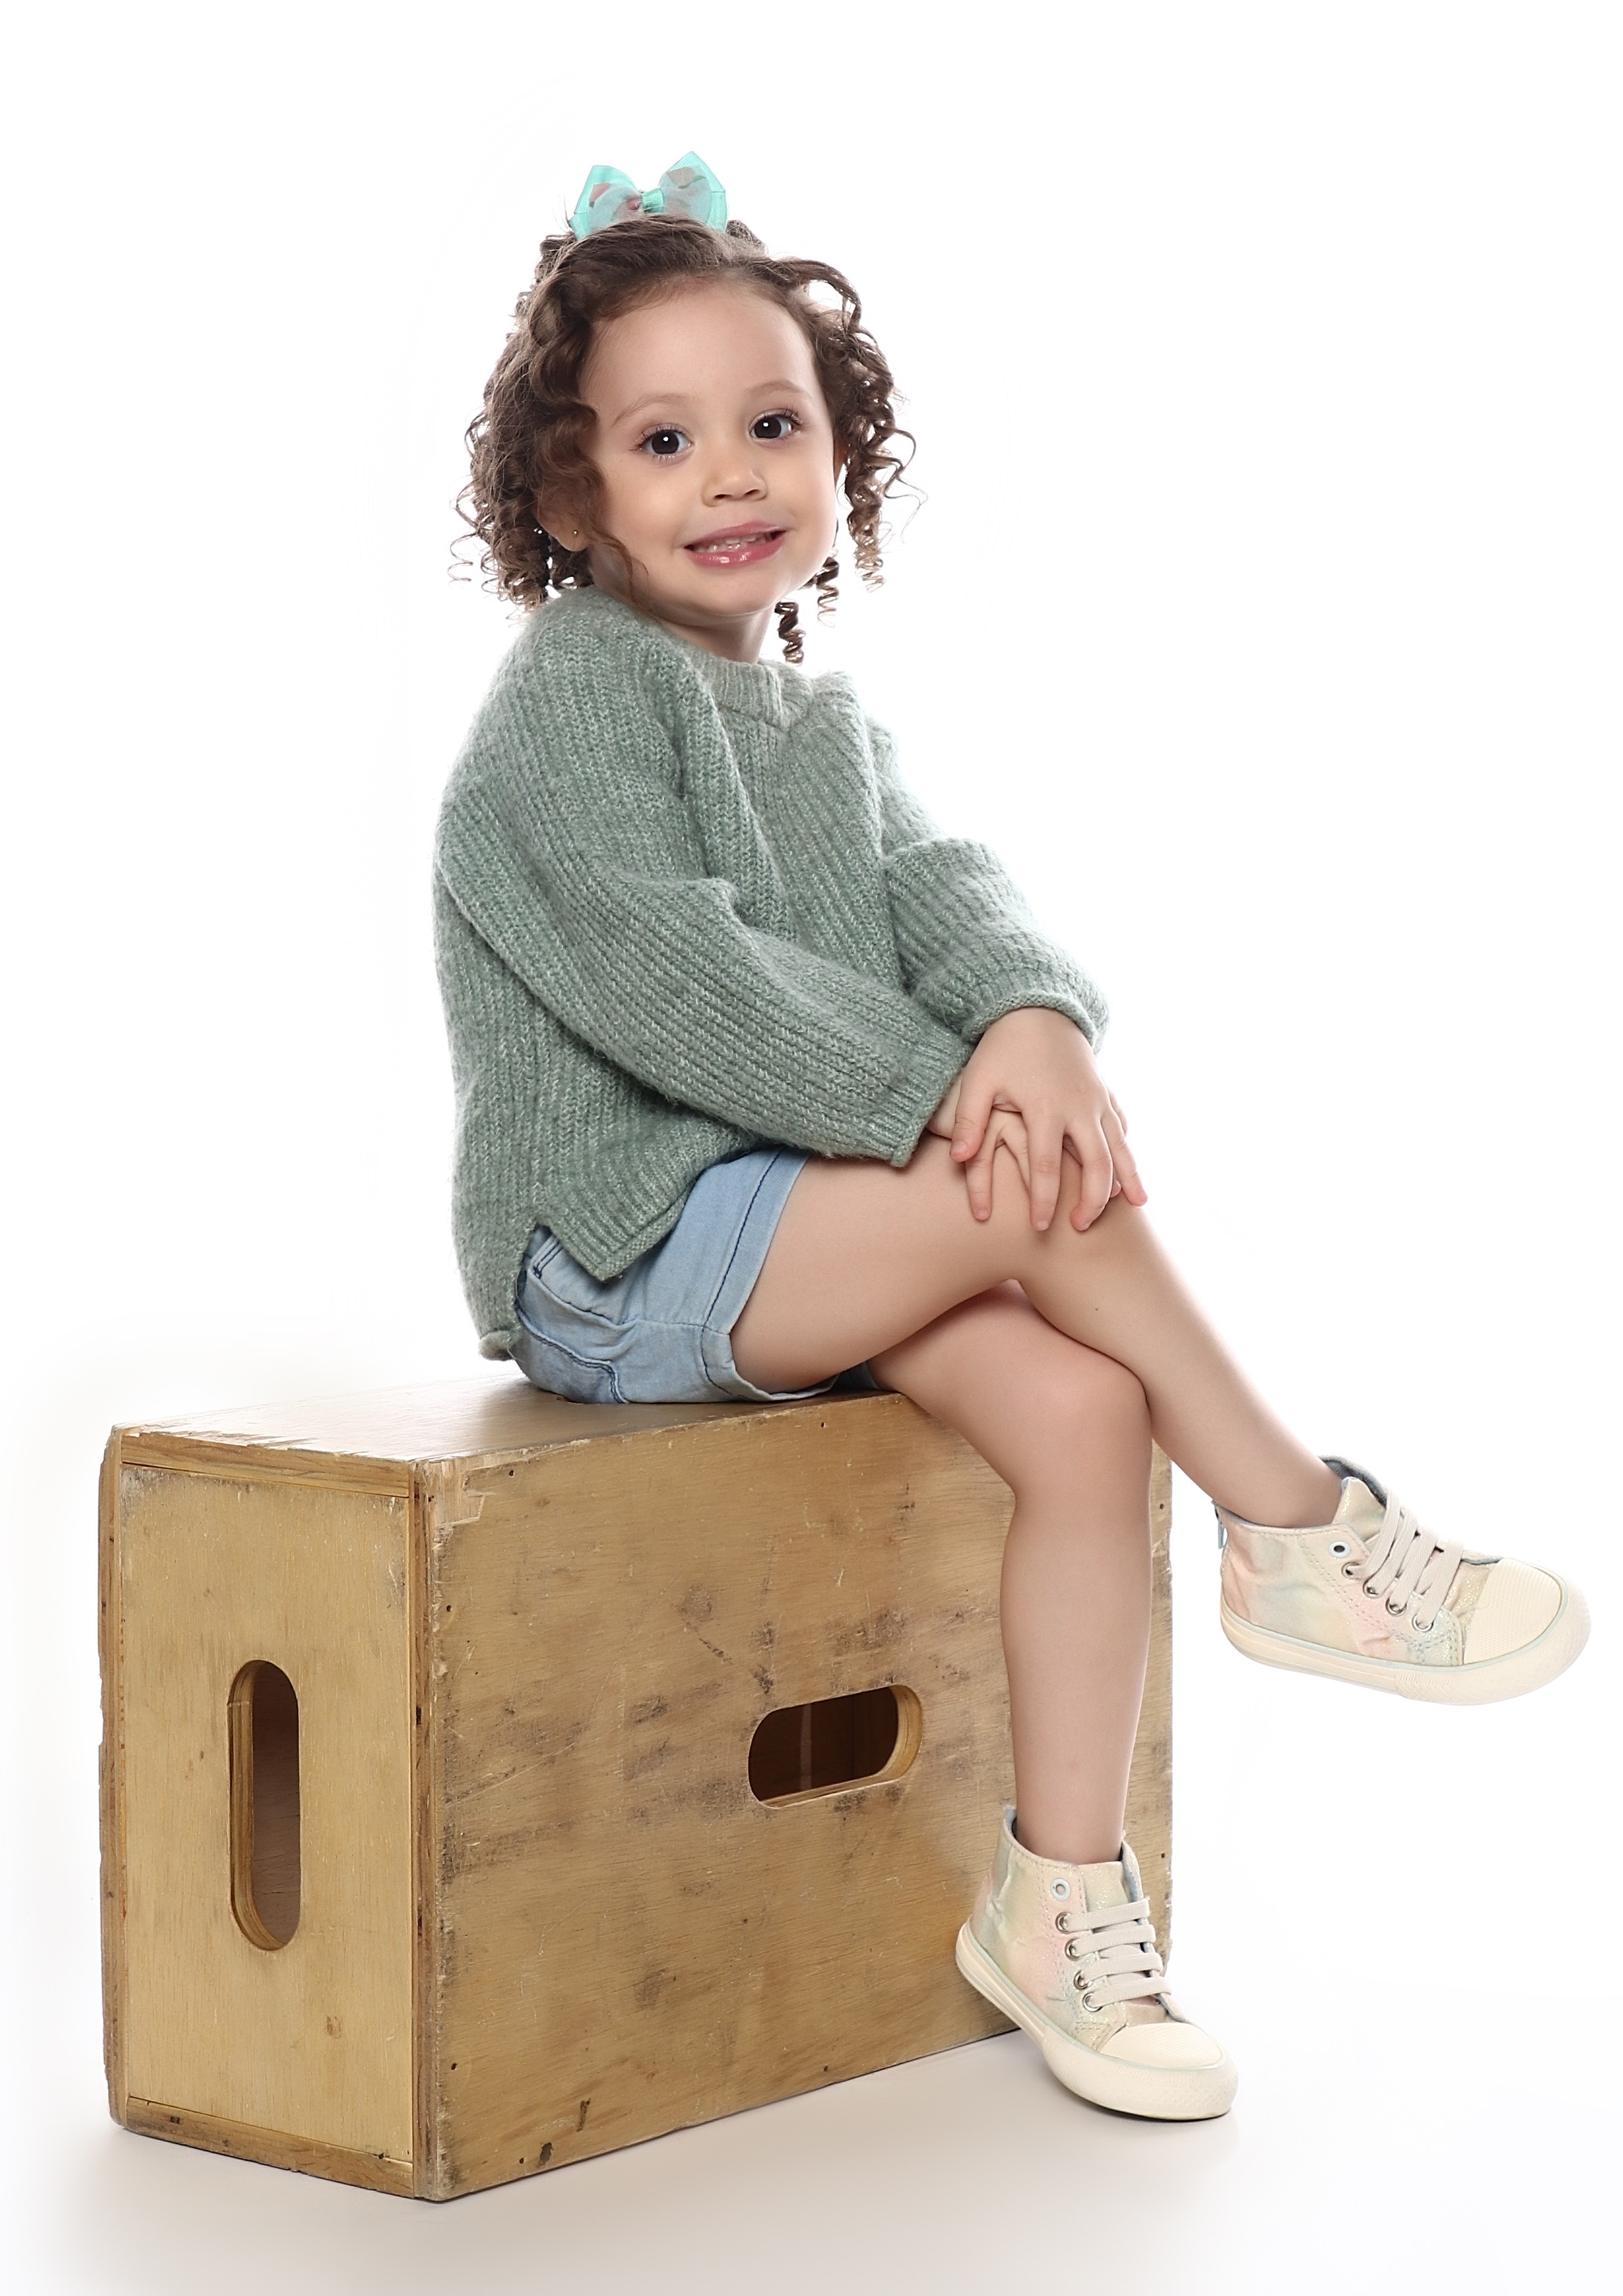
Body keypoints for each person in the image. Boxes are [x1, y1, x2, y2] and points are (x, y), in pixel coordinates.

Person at [433, 154, 1589, 2124]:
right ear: (569, 497)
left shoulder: (818, 724)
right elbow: (674, 981)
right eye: (662, 440)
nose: (730, 475)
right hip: (619, 1243)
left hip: (797, 1221)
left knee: (1081, 1408)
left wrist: (1034, 1022)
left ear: (842, 456)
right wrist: (960, 1093)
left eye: (773, 425)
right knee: (1011, 1175)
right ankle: (1297, 1528)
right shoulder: (572, 697)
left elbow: (944, 892)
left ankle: (1060, 1907)